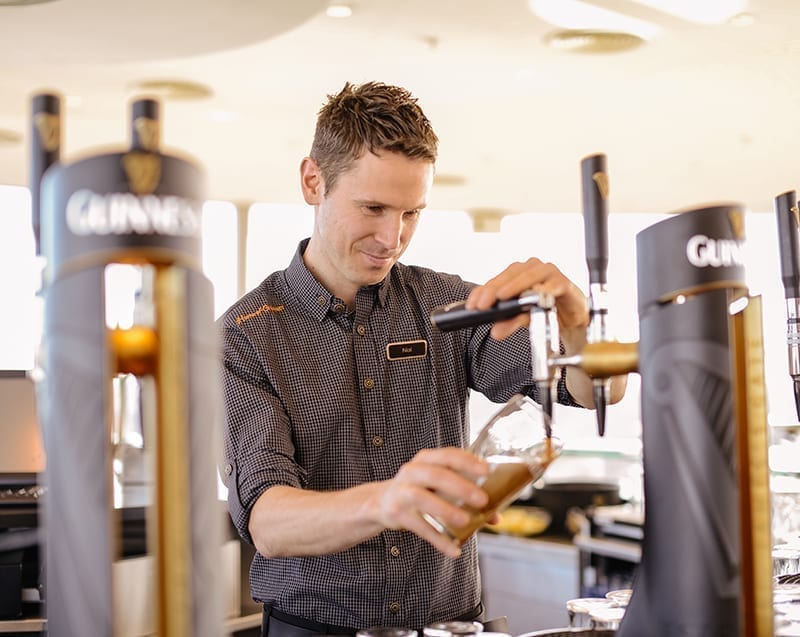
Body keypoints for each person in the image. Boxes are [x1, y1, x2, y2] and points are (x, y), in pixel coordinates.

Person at [219, 81, 627, 637]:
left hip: (452, 626)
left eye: (412, 213)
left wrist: (577, 325)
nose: (393, 237)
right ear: (313, 181)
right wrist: (386, 501)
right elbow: (268, 520)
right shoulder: (243, 338)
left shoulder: (445, 306)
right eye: (373, 208)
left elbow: (590, 391)